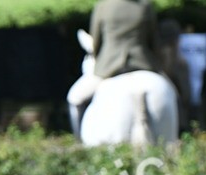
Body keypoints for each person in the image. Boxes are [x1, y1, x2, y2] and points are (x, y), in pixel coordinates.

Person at [67, 0, 160, 138]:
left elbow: (96, 42)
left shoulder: (103, 6)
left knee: (74, 99)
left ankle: (78, 141)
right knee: (175, 94)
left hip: (109, 66)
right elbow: (153, 41)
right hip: (144, 63)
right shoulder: (146, 6)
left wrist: (98, 61)